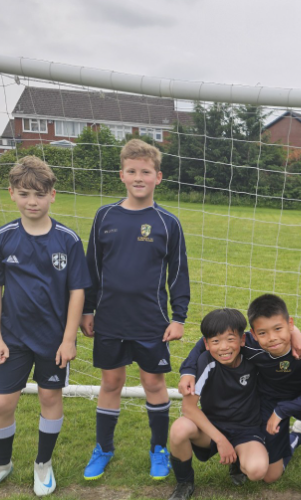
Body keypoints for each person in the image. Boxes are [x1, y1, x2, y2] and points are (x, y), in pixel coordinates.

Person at [0, 156, 90, 496]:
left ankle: (43, 464)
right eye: (24, 194)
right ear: (12, 194)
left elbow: (78, 291)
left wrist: (69, 340)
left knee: (49, 397)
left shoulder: (68, 240)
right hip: (12, 338)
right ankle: (2, 465)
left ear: (52, 195)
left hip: (53, 339)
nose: (32, 201)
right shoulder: (1, 238)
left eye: (39, 194)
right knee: (2, 404)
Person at [79, 139, 189, 481]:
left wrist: (179, 317)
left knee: (153, 382)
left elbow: (179, 272)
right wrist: (87, 309)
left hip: (150, 320)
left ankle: (158, 449)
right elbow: (92, 267)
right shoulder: (105, 216)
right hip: (110, 318)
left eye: (145, 171)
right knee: (111, 382)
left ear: (158, 177)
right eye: (132, 171)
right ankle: (103, 448)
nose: (138, 177)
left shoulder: (167, 222)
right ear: (122, 175)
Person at [178, 294, 301, 500]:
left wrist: (282, 411)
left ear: (290, 324)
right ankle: (297, 437)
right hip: (268, 404)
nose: (272, 338)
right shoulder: (248, 344)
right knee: (269, 476)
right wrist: (187, 371)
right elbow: (209, 340)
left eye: (279, 329)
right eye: (262, 333)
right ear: (252, 335)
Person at [168, 308, 269, 500]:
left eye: (230, 339)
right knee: (179, 429)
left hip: (246, 429)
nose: (224, 347)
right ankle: (184, 483)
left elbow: (276, 336)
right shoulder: (205, 361)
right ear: (206, 344)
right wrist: (221, 440)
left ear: (242, 340)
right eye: (215, 341)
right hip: (213, 428)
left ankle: (238, 461)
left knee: (257, 471)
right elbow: (188, 408)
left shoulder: (254, 357)